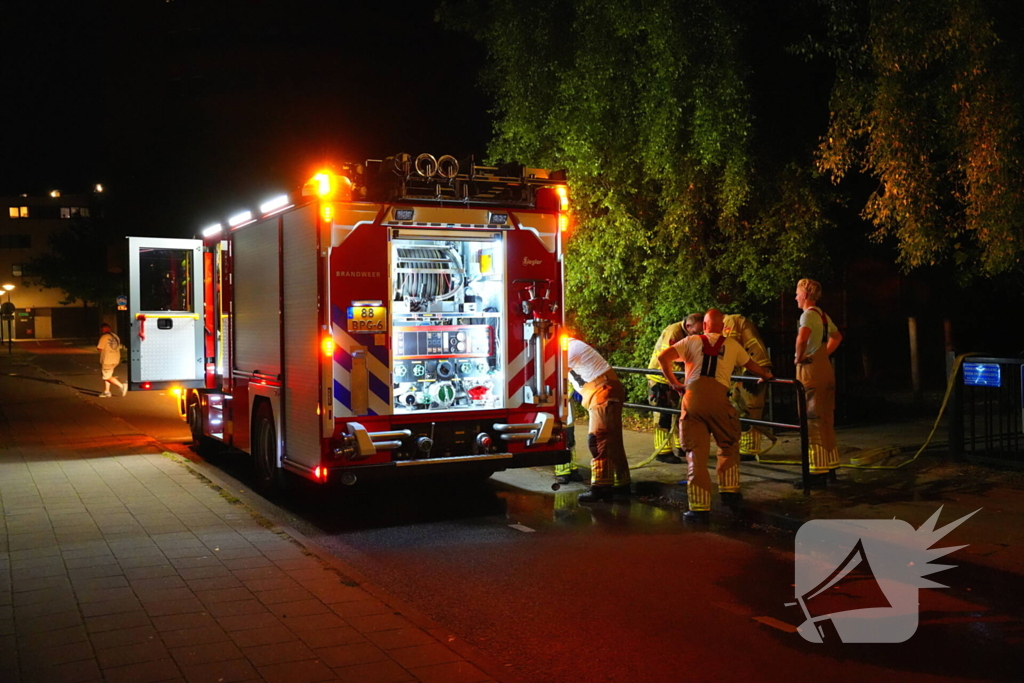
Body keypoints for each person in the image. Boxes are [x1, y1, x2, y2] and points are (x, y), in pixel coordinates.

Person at [658, 309, 772, 521]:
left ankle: (698, 508)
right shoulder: (732, 344)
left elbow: (663, 357)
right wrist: (766, 375)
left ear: (704, 326)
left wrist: (675, 383)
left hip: (692, 401)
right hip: (719, 400)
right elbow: (752, 365)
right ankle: (729, 492)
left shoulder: (690, 341)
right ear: (724, 327)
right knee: (728, 445)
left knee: (695, 455)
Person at [568, 338, 631, 503]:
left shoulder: (568, 347)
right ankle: (622, 483)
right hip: (605, 390)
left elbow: (554, 371)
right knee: (612, 440)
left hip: (603, 392)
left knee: (598, 438)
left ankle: (601, 487)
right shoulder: (572, 345)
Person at [794, 278, 843, 481]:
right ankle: (831, 465)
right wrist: (824, 354)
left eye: (797, 293)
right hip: (826, 370)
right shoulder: (823, 315)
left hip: (811, 372)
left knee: (811, 419)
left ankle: (817, 471)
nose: (795, 297)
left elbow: (802, 338)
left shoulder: (807, 315)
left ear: (805, 295)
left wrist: (799, 358)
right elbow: (837, 337)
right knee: (826, 419)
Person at [645, 314, 704, 464]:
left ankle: (681, 446)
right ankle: (663, 451)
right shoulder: (674, 332)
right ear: (688, 326)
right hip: (661, 378)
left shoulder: (688, 333)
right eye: (696, 332)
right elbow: (667, 359)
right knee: (662, 414)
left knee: (680, 413)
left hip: (677, 379)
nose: (698, 335)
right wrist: (679, 380)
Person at [722, 314, 774, 458]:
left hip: (753, 368)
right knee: (740, 406)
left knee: (750, 408)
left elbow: (728, 346)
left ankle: (750, 448)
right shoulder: (734, 321)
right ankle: (746, 446)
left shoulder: (730, 322)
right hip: (748, 367)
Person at [96, 323, 127, 397]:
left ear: (102, 329)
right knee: (108, 374)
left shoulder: (104, 337)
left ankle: (121, 386)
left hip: (107, 360)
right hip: (116, 358)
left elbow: (100, 348)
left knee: (106, 376)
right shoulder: (115, 336)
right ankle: (107, 392)